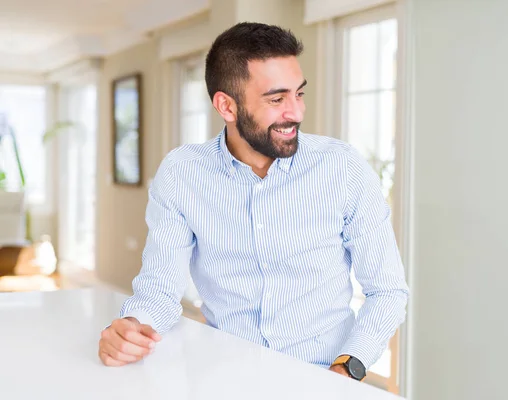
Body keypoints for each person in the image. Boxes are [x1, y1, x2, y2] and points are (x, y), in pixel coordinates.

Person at [98, 22, 409, 381]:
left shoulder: (343, 168)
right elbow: (161, 290)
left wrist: (346, 367)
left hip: (325, 374)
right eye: (277, 99)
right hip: (224, 375)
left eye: (299, 94)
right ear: (226, 106)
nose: (295, 112)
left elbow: (387, 291)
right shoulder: (182, 174)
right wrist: (132, 327)